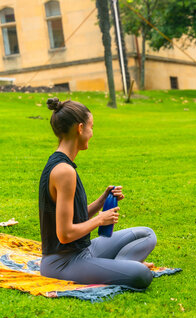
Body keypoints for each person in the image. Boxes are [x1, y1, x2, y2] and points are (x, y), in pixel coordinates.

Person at [39, 98, 156, 289]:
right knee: (142, 275)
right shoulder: (64, 171)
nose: (92, 133)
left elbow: (73, 217)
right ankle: (125, 268)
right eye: (91, 127)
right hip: (63, 262)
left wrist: (102, 200)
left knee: (147, 235)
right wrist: (100, 220)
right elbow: (65, 234)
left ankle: (118, 267)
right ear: (80, 128)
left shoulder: (62, 164)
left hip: (83, 251)